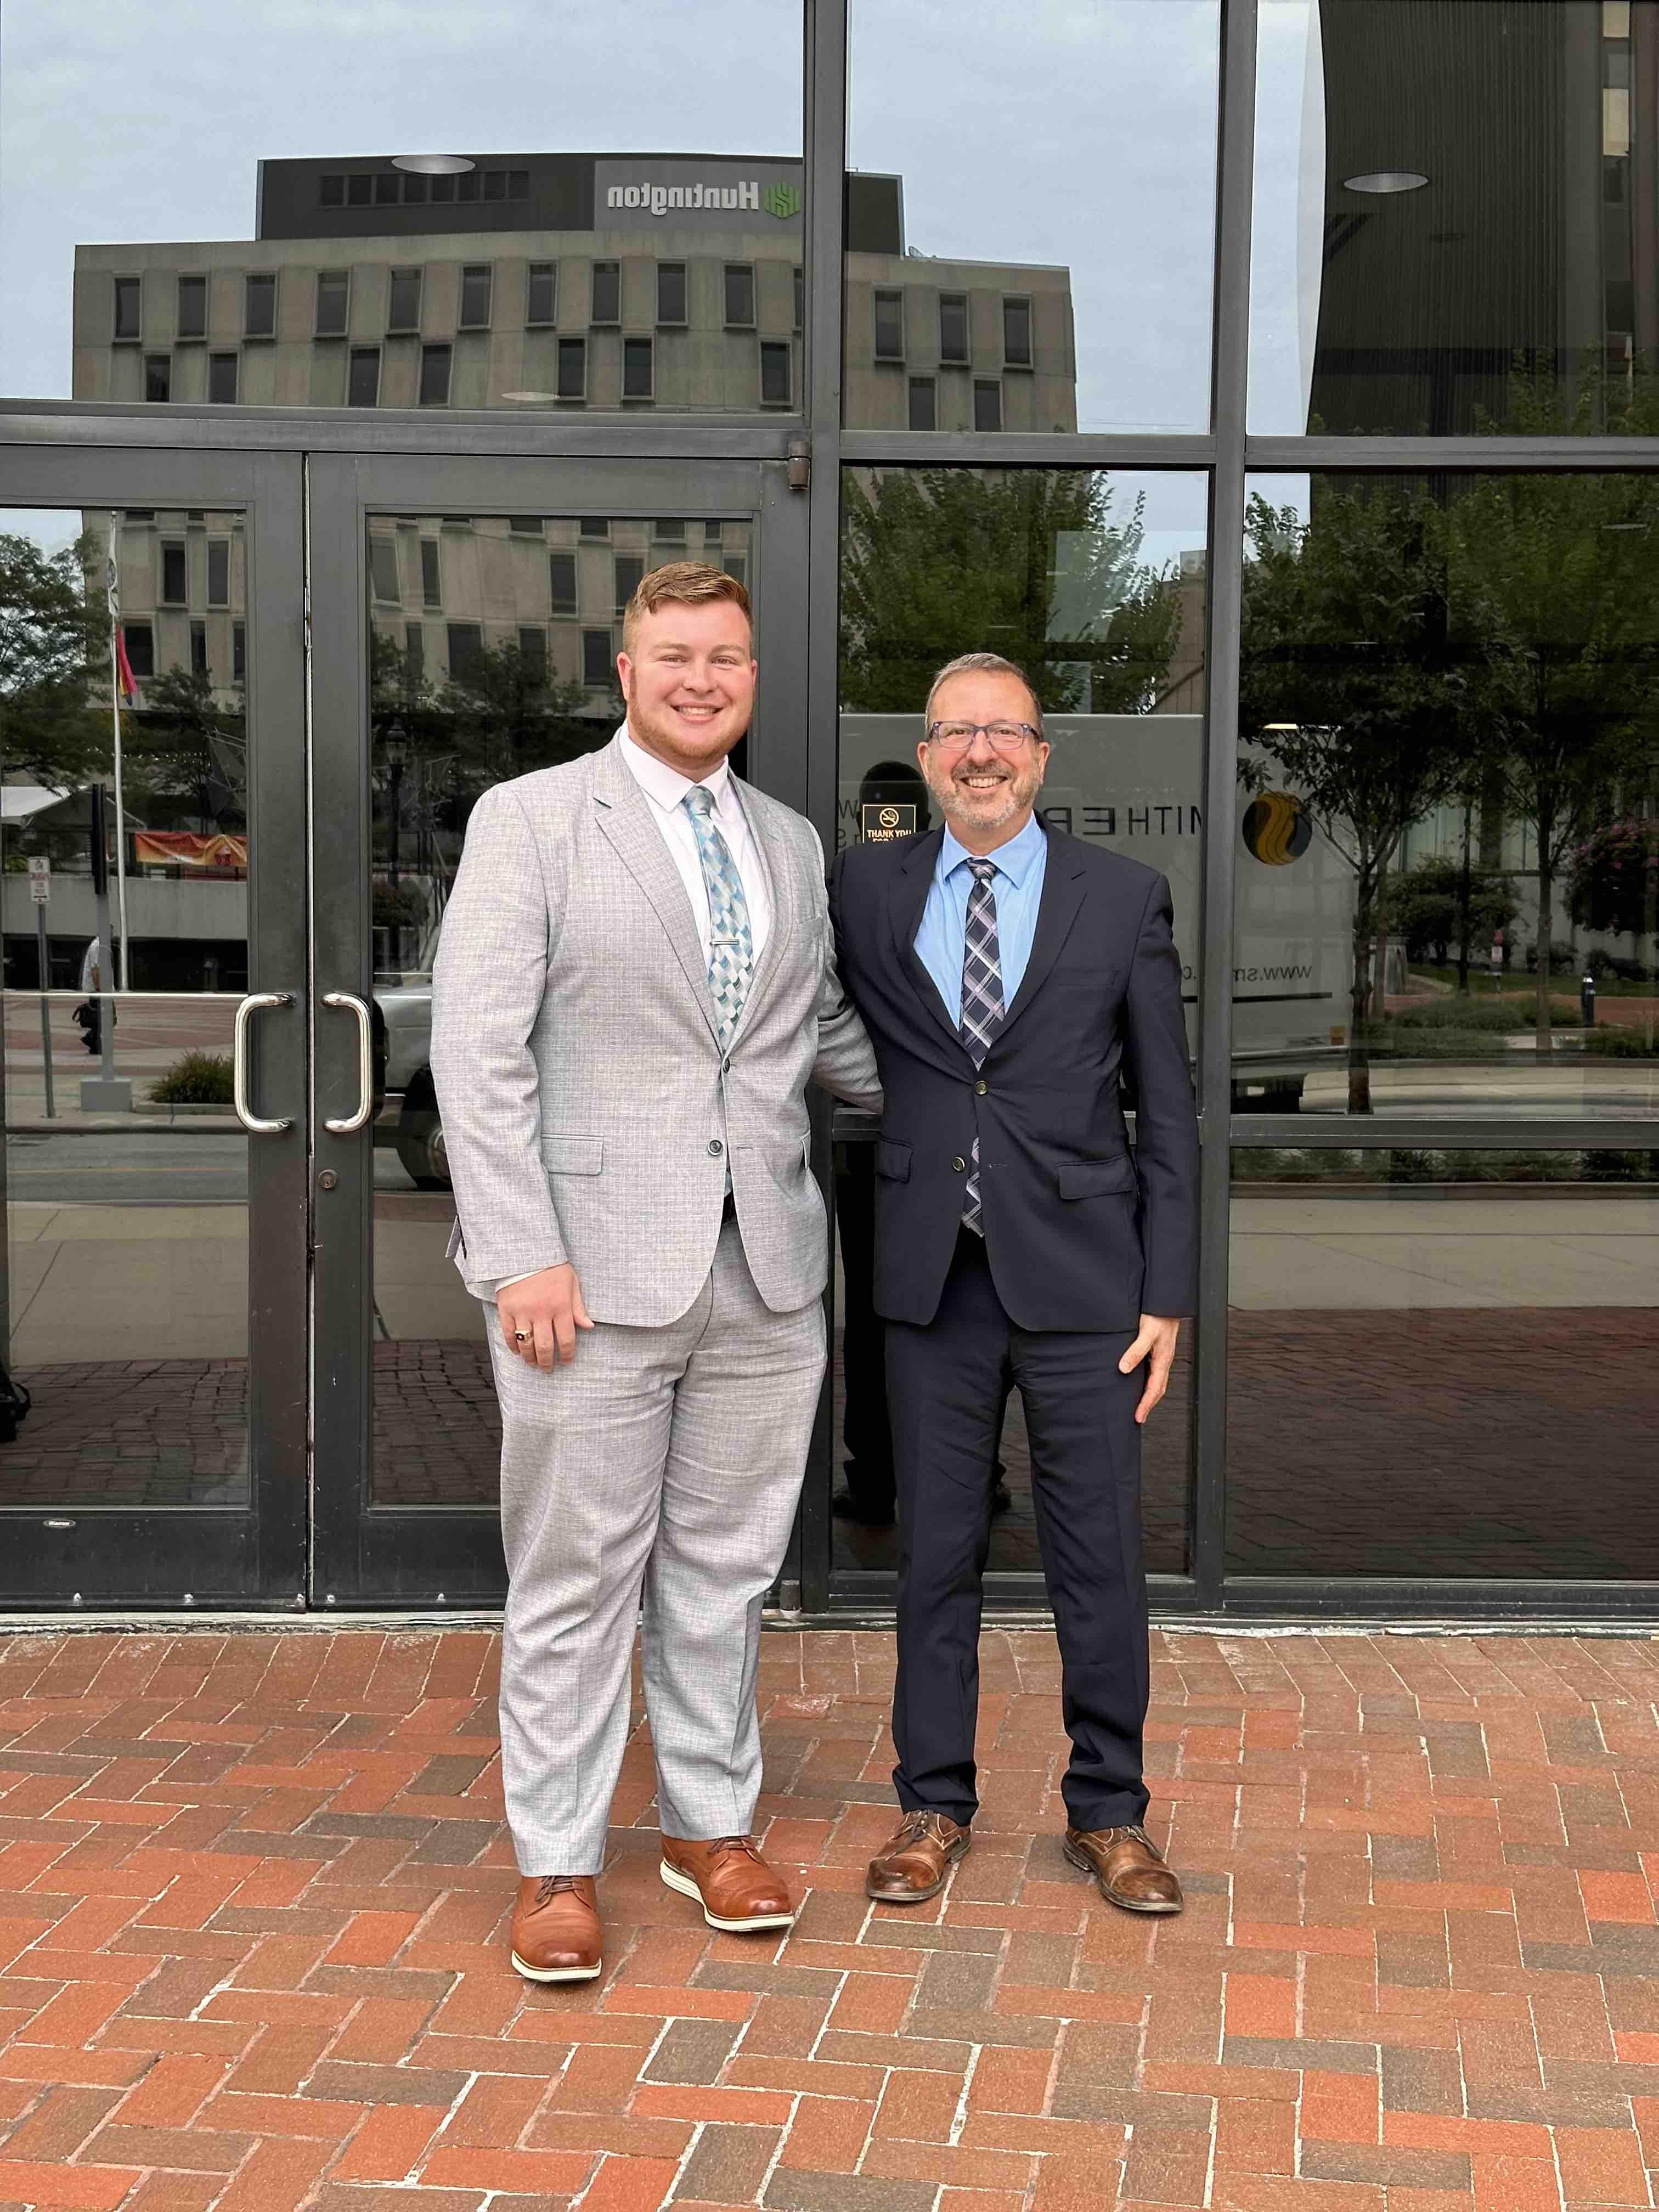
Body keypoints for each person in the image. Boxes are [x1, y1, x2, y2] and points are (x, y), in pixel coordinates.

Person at [431, 562, 879, 1985]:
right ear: (628, 673)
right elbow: (474, 1049)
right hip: (589, 1277)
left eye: (727, 658)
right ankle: (558, 1861)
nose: (703, 678)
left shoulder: (794, 844)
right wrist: (521, 1253)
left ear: (753, 676)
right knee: (576, 1575)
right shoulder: (536, 820)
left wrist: (977, 1092)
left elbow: (814, 1041)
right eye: (676, 655)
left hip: (770, 1267)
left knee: (724, 1572)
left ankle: (706, 1823)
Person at [828, 651, 1198, 1917]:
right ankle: (932, 1802)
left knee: (1100, 1556)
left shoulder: (1124, 896)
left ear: (1042, 756)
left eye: (1004, 733)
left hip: (1090, 1282)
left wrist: (1170, 1294)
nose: (978, 754)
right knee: (934, 1552)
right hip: (933, 1279)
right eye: (953, 735)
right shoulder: (863, 890)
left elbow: (1170, 1110)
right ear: (926, 758)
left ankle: (1111, 1812)